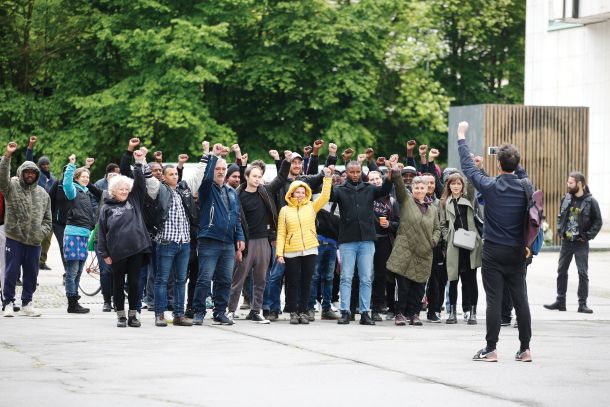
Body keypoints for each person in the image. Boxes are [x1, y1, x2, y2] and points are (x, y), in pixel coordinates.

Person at [457, 121, 533, 363]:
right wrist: (512, 159)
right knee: (521, 300)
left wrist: (461, 136)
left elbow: (468, 168)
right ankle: (525, 349)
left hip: (493, 251)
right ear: (516, 163)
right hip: (518, 251)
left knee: (493, 301)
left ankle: (491, 349)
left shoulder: (490, 186)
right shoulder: (525, 186)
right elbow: (520, 175)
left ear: (498, 164)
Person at [330, 159, 393, 325]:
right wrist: (328, 177)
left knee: (366, 278)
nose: (355, 175)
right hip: (347, 240)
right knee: (346, 277)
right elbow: (328, 195)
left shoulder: (369, 188)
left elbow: (386, 189)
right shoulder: (340, 190)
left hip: (367, 240)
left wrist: (390, 171)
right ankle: (345, 311)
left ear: (361, 172)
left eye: (358, 171)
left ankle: (365, 312)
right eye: (352, 172)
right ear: (347, 172)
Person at [228, 160, 289, 323]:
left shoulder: (266, 191)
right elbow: (235, 219)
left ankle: (256, 310)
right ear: (246, 177)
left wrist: (286, 161)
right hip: (246, 242)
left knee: (261, 278)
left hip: (264, 241)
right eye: (254, 176)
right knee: (239, 278)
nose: (257, 179)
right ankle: (230, 310)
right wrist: (238, 241)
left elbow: (282, 177)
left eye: (259, 176)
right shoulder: (237, 194)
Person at [98, 149, 152, 328]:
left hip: (136, 249)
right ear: (113, 190)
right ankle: (120, 315)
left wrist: (138, 163)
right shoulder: (106, 208)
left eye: (126, 189)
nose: (124, 191)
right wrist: (104, 252)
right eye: (120, 189)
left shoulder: (134, 199)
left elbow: (140, 185)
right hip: (117, 252)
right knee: (118, 283)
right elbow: (102, 232)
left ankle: (133, 315)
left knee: (135, 284)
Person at [192, 146, 245, 326]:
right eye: (218, 169)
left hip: (228, 242)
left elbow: (236, 216)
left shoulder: (231, 191)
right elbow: (206, 177)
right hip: (209, 239)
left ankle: (220, 312)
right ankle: (198, 311)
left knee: (225, 280)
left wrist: (241, 238)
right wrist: (213, 156)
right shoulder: (207, 189)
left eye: (223, 169)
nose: (221, 172)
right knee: (205, 278)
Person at [386, 156, 440, 326]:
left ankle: (414, 314)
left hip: (425, 251)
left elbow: (438, 228)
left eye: (422, 187)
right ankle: (400, 314)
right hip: (405, 249)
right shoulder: (406, 200)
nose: (419, 189)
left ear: (427, 189)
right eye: (416, 186)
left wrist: (434, 240)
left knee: (419, 285)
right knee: (403, 285)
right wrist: (394, 170)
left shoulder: (433, 209)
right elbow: (399, 185)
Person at [1, 141, 52, 317]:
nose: (30, 174)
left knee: (32, 273)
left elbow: (48, 219)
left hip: (34, 241)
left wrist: (40, 233)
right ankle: (8, 302)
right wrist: (7, 155)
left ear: (37, 174)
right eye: (27, 172)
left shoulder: (43, 194)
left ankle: (27, 303)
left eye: (32, 172)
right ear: (21, 173)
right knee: (11, 272)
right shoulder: (11, 187)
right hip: (15, 238)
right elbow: (2, 177)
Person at [276, 167, 333, 324]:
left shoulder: (311, 206)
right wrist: (279, 253)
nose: (300, 195)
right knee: (292, 282)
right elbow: (281, 233)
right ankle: (293, 312)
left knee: (307, 282)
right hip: (291, 251)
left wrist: (327, 178)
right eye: (297, 192)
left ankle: (303, 311)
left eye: (303, 192)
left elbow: (325, 196)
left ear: (306, 193)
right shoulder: (284, 210)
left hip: (310, 249)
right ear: (292, 193)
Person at [544, 172, 602, 314]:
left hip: (581, 243)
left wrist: (588, 236)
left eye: (571, 183)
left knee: (582, 273)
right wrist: (560, 231)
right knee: (561, 271)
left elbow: (598, 221)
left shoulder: (591, 201)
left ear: (580, 184)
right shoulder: (566, 198)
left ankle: (582, 304)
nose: (568, 185)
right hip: (566, 242)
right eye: (568, 182)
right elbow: (560, 216)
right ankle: (560, 302)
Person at [148, 164, 198, 327]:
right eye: (170, 174)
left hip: (184, 242)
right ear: (163, 177)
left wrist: (207, 154)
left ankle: (179, 315)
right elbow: (149, 181)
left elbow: (199, 175)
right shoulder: (160, 190)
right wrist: (141, 162)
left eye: (176, 174)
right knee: (162, 279)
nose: (175, 176)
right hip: (166, 241)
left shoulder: (182, 191)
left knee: (180, 280)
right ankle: (159, 314)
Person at [439, 172, 482, 325]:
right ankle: (452, 313)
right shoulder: (444, 202)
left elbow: (471, 187)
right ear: (448, 185)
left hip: (470, 243)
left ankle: (473, 313)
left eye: (459, 184)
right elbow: (442, 223)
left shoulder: (469, 199)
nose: (456, 186)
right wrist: (447, 237)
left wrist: (474, 168)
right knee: (453, 279)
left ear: (462, 185)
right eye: (453, 184)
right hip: (453, 244)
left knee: (471, 280)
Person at [62, 155, 103, 314]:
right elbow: (66, 182)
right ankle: (71, 303)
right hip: (73, 234)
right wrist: (72, 165)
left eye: (88, 177)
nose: (86, 179)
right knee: (72, 271)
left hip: (84, 235)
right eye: (83, 177)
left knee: (79, 270)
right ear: (76, 178)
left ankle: (75, 299)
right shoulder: (72, 190)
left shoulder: (86, 192)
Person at [368, 170, 399, 322]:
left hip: (384, 241)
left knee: (381, 275)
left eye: (377, 179)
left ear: (381, 180)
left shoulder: (392, 201)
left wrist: (389, 224)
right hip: (367, 240)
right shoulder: (366, 196)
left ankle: (377, 307)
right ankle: (362, 305)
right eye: (371, 179)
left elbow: (399, 223)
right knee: (366, 275)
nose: (375, 181)